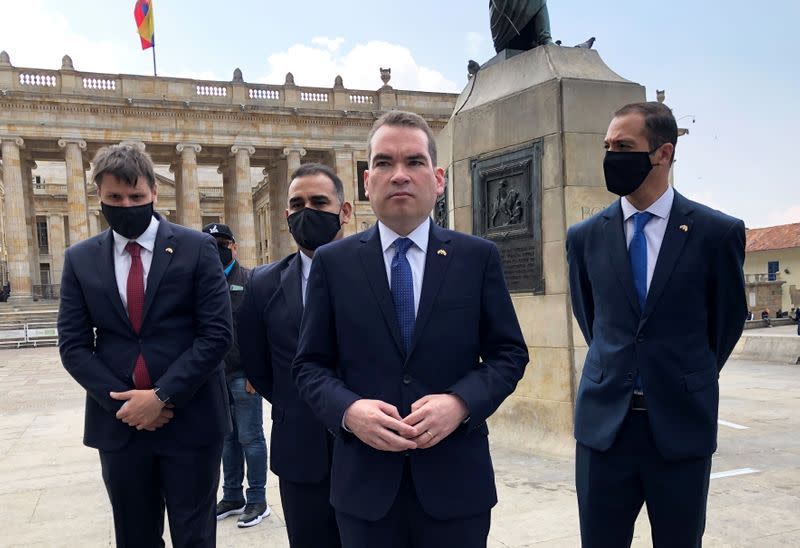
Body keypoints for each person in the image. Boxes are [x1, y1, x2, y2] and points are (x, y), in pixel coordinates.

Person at [292, 111, 529, 548]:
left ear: (438, 179)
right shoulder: (333, 263)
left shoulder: (477, 258)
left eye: (414, 162)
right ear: (366, 181)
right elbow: (309, 366)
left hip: (455, 485)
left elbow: (509, 354)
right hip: (365, 489)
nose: (399, 175)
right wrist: (349, 411)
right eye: (384, 163)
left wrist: (460, 403)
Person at [566, 102, 747, 547]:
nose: (611, 155)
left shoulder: (715, 233)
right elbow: (593, 320)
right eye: (607, 146)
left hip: (680, 427)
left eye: (623, 146)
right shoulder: (585, 237)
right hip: (605, 431)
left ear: (662, 153)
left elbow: (725, 324)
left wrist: (683, 372)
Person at [57, 144, 233, 547]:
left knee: (195, 536)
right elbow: (73, 345)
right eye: (115, 198)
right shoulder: (80, 259)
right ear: (98, 196)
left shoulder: (197, 247)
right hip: (119, 424)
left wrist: (161, 395)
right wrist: (126, 404)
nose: (126, 205)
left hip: (191, 419)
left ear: (154, 192)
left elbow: (217, 333)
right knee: (134, 537)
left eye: (136, 197)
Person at [239, 162, 352, 548]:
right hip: (300, 450)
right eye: (298, 204)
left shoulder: (378, 271)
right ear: (286, 215)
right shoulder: (262, 283)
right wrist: (300, 404)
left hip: (371, 450)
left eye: (320, 202)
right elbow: (258, 365)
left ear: (345, 211)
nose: (308, 211)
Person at [203, 222, 270, 528]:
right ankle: (232, 496)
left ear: (233, 246)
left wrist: (258, 373)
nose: (217, 247)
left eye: (222, 242)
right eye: (211, 242)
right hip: (214, 375)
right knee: (226, 438)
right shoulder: (201, 282)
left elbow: (260, 331)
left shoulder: (249, 279)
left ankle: (257, 499)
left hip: (243, 374)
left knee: (250, 437)